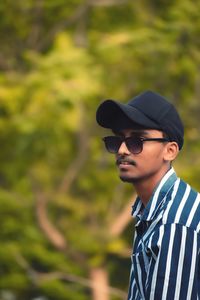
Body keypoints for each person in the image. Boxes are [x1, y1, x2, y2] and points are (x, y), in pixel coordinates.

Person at [96, 90, 200, 300]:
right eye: (117, 140)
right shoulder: (152, 210)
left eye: (137, 140)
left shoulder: (175, 224)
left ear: (170, 151)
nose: (122, 149)